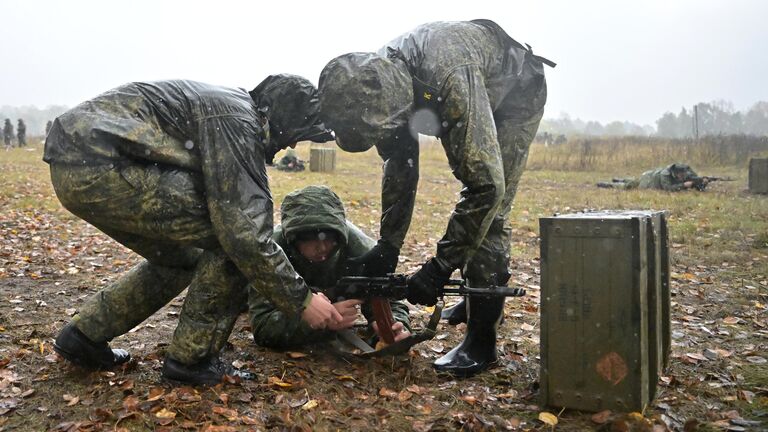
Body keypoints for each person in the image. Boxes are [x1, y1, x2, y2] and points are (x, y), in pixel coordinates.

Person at [45, 75, 342, 386]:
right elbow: (244, 234)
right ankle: (193, 360)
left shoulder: (232, 108)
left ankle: (83, 336)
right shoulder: (237, 119)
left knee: (182, 258)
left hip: (75, 168)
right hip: (100, 164)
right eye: (294, 134)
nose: (292, 145)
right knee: (232, 241)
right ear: (278, 116)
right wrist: (303, 300)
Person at [318, 19, 552, 376]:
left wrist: (440, 267)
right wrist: (388, 246)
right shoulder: (374, 87)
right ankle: (476, 294)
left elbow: (486, 188)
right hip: (460, 83)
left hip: (515, 93)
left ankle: (481, 339)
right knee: (481, 200)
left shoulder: (446, 73)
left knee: (492, 213)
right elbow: (400, 167)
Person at [250, 185, 411, 348]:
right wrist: (317, 323)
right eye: (310, 238)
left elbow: (387, 296)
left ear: (339, 234)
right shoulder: (271, 254)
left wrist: (393, 326)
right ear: (294, 238)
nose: (321, 247)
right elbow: (263, 327)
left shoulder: (361, 251)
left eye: (328, 237)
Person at [596, 163, 706, 191]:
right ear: (676, 172)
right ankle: (608, 184)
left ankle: (620, 179)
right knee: (628, 186)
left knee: (635, 180)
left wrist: (702, 183)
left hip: (649, 175)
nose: (684, 176)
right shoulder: (665, 175)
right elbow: (668, 188)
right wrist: (683, 185)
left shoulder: (678, 173)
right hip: (647, 182)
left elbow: (694, 181)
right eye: (681, 174)